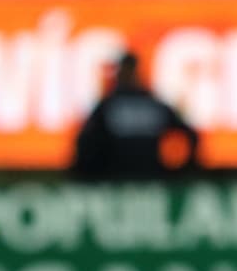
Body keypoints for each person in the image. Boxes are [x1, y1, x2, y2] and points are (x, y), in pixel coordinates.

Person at [71, 51, 200, 181]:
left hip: (119, 181)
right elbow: (190, 135)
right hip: (149, 180)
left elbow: (85, 142)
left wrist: (89, 173)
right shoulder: (152, 103)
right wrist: (179, 170)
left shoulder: (110, 105)